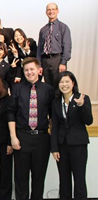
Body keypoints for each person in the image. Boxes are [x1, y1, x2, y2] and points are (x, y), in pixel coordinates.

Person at [8, 57, 54, 200]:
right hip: (22, 137)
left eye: (32, 69)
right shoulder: (17, 88)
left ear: (39, 70)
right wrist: (13, 137)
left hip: (41, 138)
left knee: (38, 178)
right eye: (26, 70)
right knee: (21, 179)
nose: (29, 72)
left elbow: (53, 115)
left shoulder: (48, 89)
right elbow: (11, 113)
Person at [51, 71, 93, 200]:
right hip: (62, 146)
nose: (64, 85)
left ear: (73, 83)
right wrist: (54, 148)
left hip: (78, 145)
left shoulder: (83, 98)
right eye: (61, 82)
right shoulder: (56, 102)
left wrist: (81, 106)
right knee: (64, 181)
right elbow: (55, 126)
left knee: (79, 180)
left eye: (67, 82)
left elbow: (88, 121)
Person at [37, 3, 72, 88]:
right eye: (49, 10)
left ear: (57, 11)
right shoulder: (43, 29)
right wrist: (39, 65)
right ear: (46, 12)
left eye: (53, 9)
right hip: (45, 60)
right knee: (48, 86)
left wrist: (63, 63)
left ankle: (58, 102)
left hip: (57, 60)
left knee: (58, 85)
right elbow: (39, 49)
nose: (51, 11)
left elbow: (67, 46)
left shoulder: (63, 27)